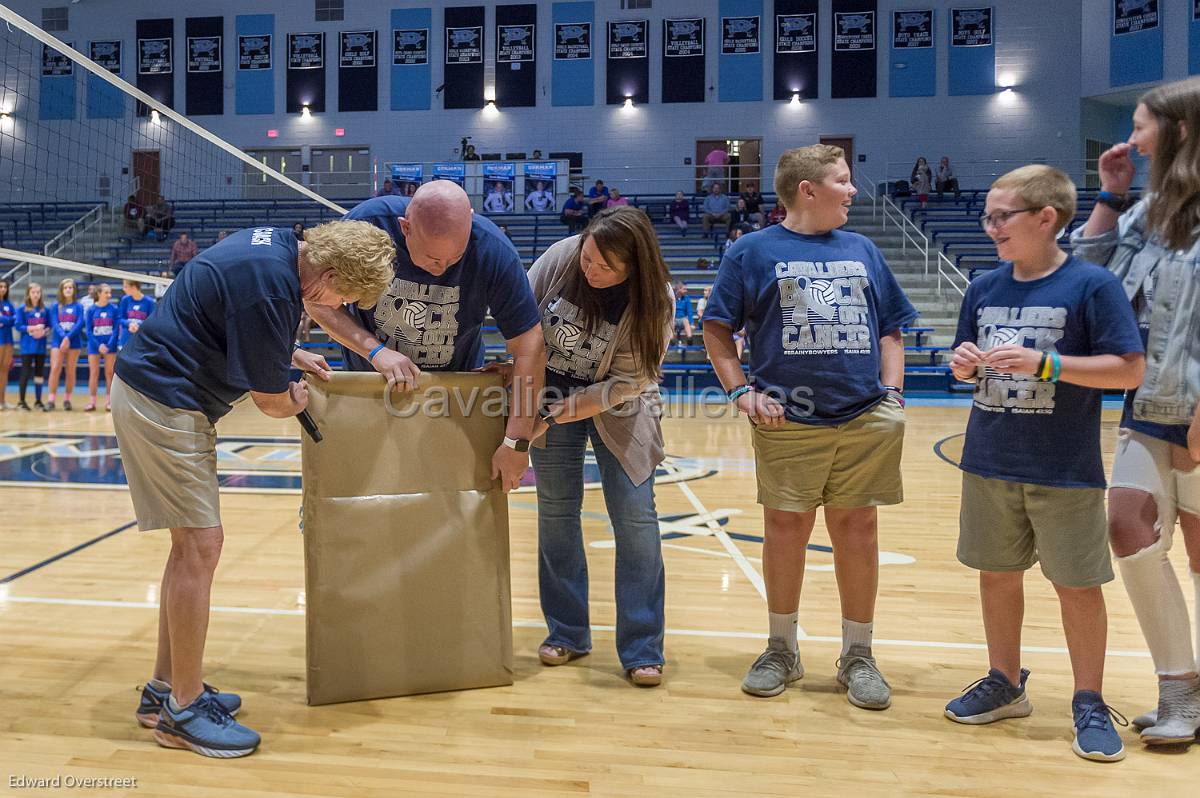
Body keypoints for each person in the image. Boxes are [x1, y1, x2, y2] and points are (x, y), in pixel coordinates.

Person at [112, 220, 394, 759]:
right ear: (329, 273)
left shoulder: (277, 249)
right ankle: (184, 712)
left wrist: (285, 356)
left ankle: (165, 690)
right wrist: (297, 397)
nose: (339, 304)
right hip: (164, 403)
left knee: (188, 549)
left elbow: (229, 322)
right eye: (345, 295)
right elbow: (270, 402)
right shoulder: (271, 285)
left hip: (159, 394)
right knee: (201, 547)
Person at [703, 144, 917, 708]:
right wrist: (740, 392)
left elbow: (891, 329)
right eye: (843, 181)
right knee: (785, 531)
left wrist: (893, 393)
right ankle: (782, 649)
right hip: (788, 419)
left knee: (857, 531)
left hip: (865, 416)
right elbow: (717, 331)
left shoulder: (864, 247)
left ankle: (858, 654)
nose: (852, 190)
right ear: (808, 189)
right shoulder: (750, 251)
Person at [945, 165, 1145, 762]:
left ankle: (1088, 698)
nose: (991, 228)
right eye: (988, 217)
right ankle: (1005, 681)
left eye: (1001, 216)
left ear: (1046, 217)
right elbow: (968, 366)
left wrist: (1048, 366)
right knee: (997, 574)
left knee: (1077, 585)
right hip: (988, 459)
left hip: (1064, 466)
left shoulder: (1091, 286)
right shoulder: (983, 287)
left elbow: (1130, 370)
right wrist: (963, 365)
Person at [488, 207, 673, 686]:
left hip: (619, 401)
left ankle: (641, 647)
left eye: (604, 267)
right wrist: (522, 388)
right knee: (555, 512)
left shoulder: (656, 300)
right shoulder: (562, 257)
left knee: (634, 518)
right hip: (548, 390)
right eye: (588, 256)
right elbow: (522, 325)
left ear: (634, 267)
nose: (590, 269)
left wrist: (549, 416)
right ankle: (567, 631)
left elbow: (628, 381)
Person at [1070, 76, 1200, 747]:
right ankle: (1178, 687)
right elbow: (1083, 277)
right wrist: (1110, 195)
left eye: (1142, 124)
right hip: (1148, 404)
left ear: (1177, 131)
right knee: (1127, 522)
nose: (1131, 135)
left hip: (1199, 409)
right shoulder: (1148, 212)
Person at [306, 182, 546, 493]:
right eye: (433, 258)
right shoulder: (368, 226)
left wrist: (516, 442)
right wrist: (375, 350)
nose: (441, 268)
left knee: (449, 499)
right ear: (404, 228)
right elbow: (314, 299)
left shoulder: (493, 250)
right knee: (361, 495)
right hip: (369, 389)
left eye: (454, 257)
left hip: (451, 396)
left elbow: (529, 344)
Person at [45, 278, 85, 411]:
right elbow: (54, 323)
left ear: (74, 290)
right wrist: (63, 337)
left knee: (70, 370)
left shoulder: (78, 306)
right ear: (61, 290)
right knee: (55, 368)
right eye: (65, 287)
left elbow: (79, 324)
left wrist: (68, 338)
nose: (68, 289)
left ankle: (67, 399)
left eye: (70, 287)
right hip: (58, 341)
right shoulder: (55, 306)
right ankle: (51, 400)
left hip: (74, 341)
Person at [15, 282, 50, 411]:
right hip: (27, 347)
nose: (36, 295)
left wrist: (43, 332)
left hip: (40, 346)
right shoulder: (22, 309)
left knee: (39, 374)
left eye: (38, 292)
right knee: (25, 373)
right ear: (28, 294)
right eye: (33, 292)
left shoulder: (44, 309)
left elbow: (49, 326)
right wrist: (32, 328)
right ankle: (21, 401)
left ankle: (38, 401)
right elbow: (18, 325)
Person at [84, 284, 119, 412]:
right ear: (99, 294)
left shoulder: (114, 309)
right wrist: (98, 345)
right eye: (106, 293)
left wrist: (108, 345)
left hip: (110, 345)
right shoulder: (91, 310)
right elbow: (88, 330)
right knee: (94, 373)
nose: (109, 295)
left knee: (109, 373)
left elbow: (116, 329)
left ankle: (109, 402)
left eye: (110, 292)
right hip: (94, 346)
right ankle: (92, 402)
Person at [117, 279, 156, 351]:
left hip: (142, 338)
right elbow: (120, 319)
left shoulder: (149, 301)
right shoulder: (125, 300)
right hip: (126, 338)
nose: (123, 289)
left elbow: (152, 321)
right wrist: (129, 324)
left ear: (134, 287)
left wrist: (139, 325)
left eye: (126, 286)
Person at [0, 279, 13, 409]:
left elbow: (15, 319)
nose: (3, 289)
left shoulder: (9, 304)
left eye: (5, 287)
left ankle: (2, 401)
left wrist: (4, 319)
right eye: (1, 286)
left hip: (8, 340)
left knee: (4, 371)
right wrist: (7, 320)